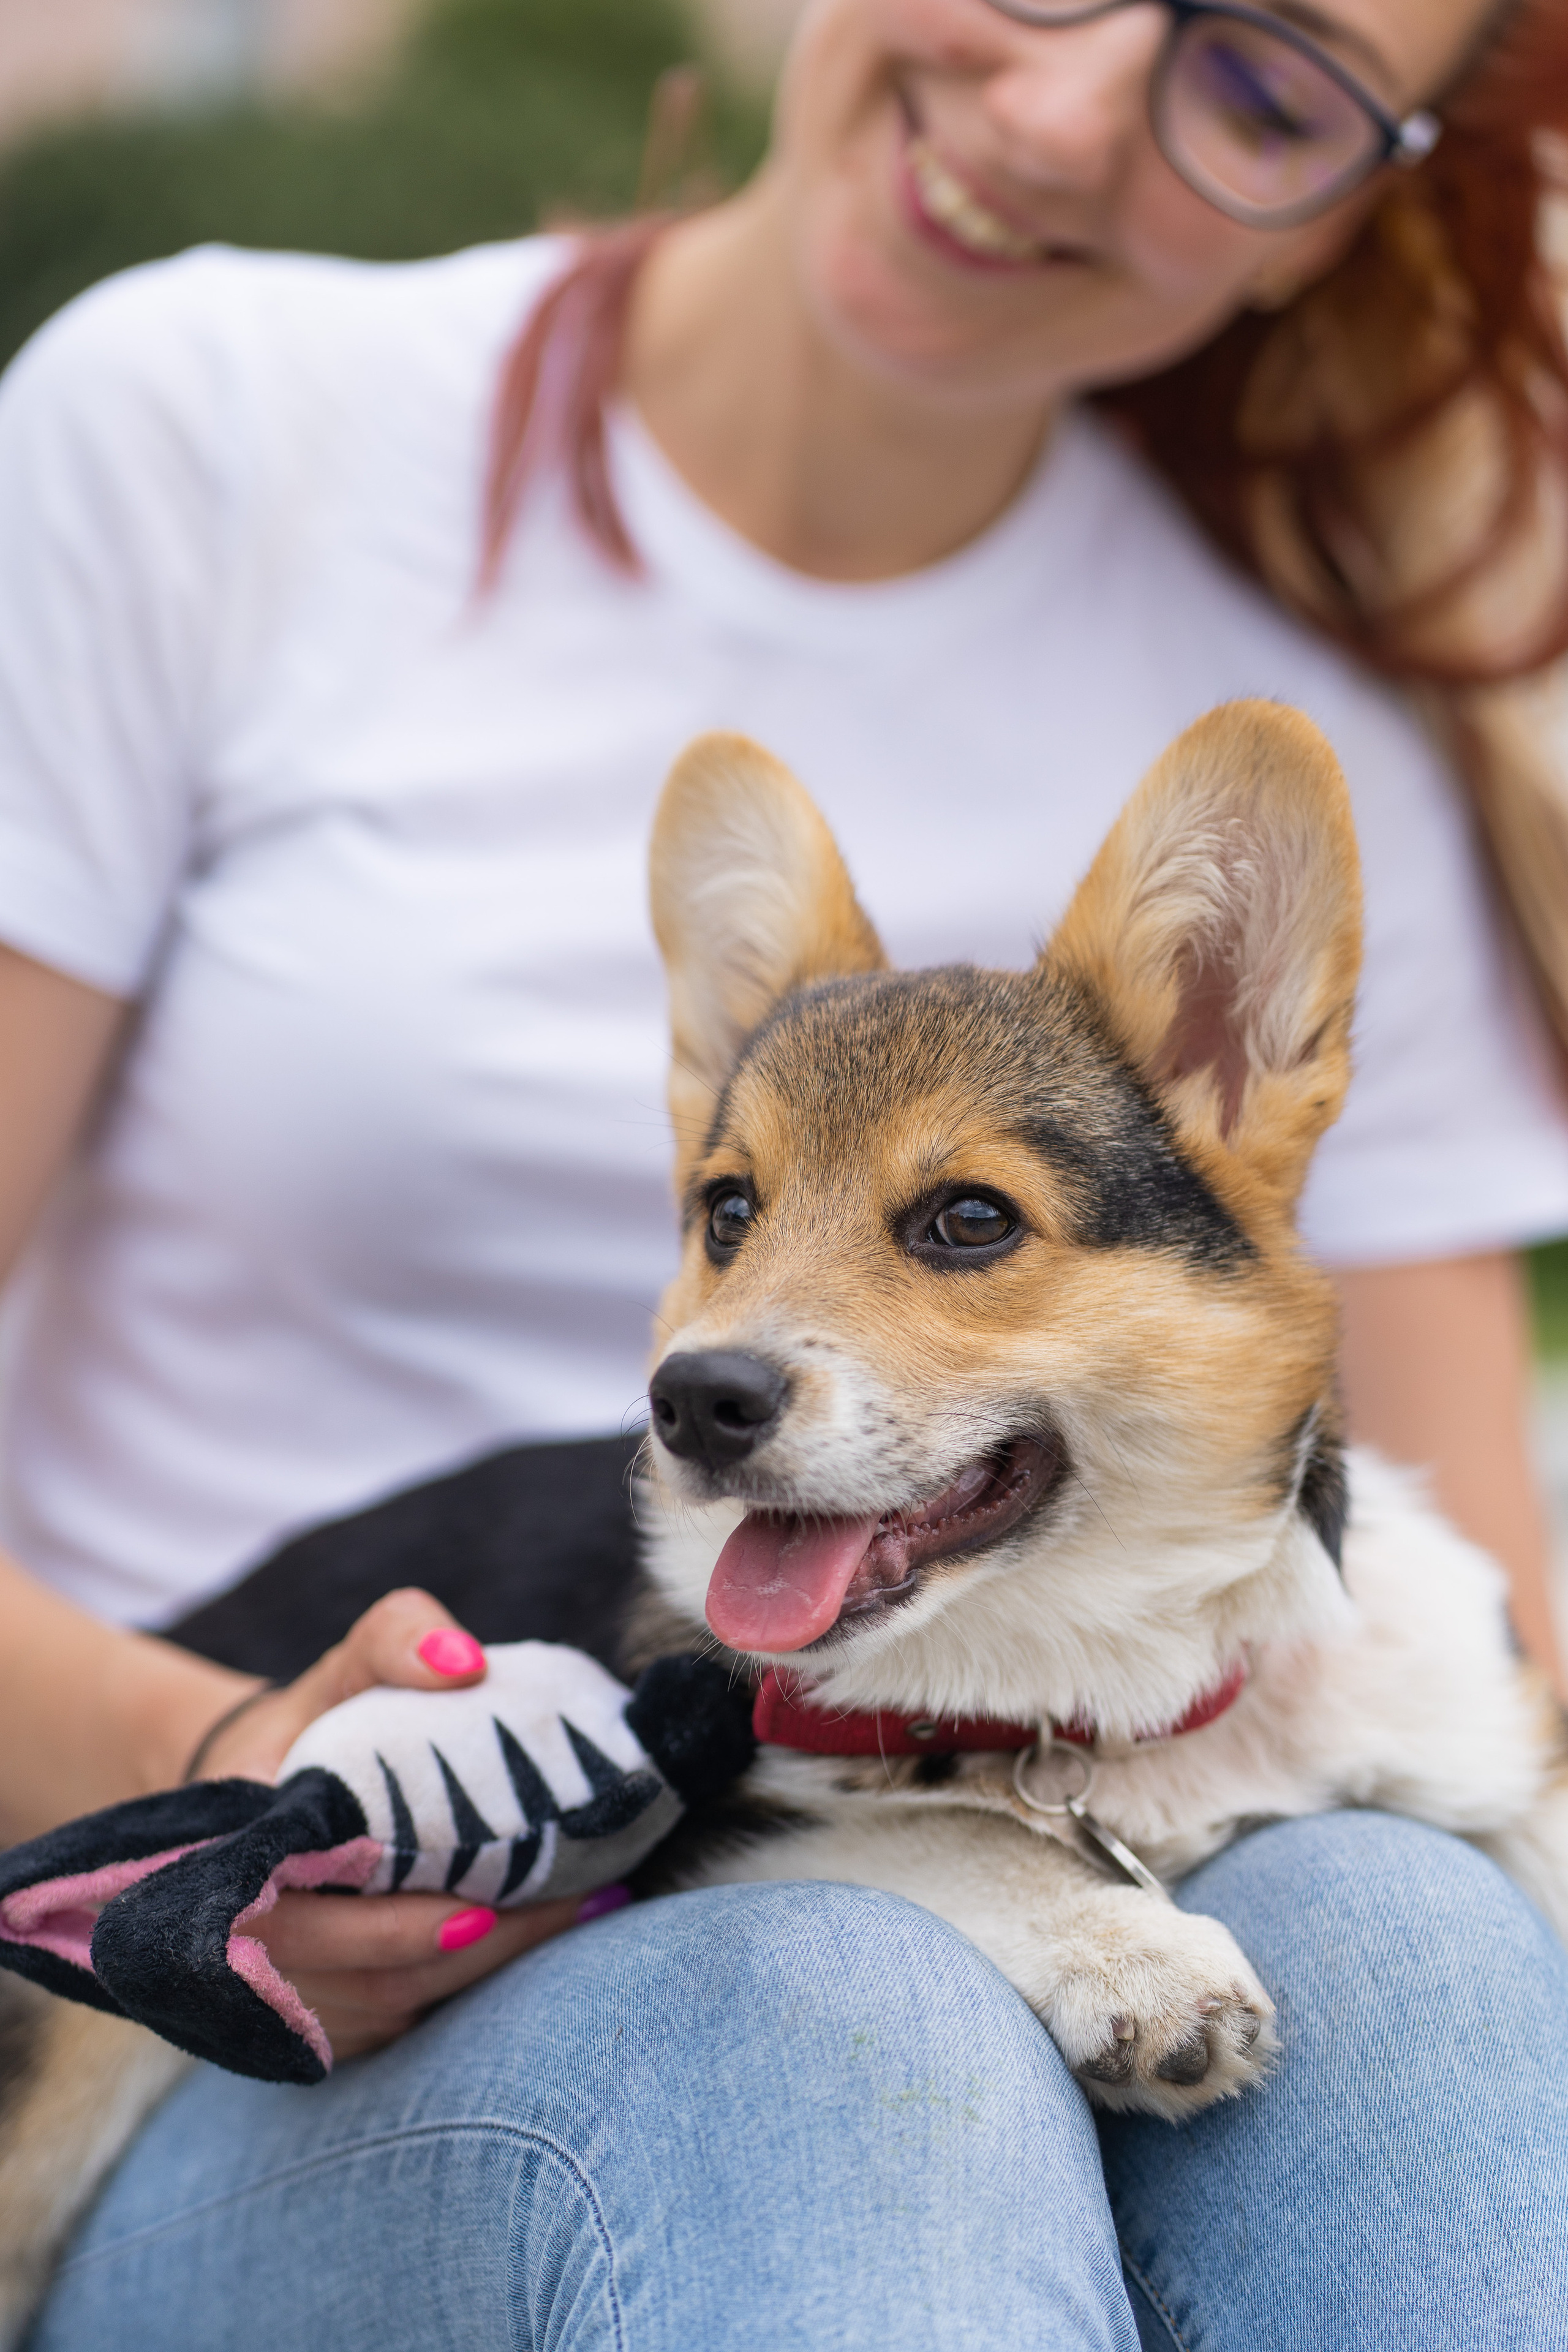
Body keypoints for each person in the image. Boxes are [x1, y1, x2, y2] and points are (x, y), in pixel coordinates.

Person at [5, 0, 1568, 2342]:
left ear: (1356, 199)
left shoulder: (1313, 717)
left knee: (1420, 1939)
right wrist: (213, 1755)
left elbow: (1439, 1593)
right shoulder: (201, 432)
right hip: (220, 1978)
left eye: (1259, 85)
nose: (1056, 112)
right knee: (836, 2023)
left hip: (1089, 1757)